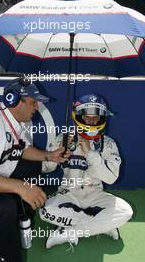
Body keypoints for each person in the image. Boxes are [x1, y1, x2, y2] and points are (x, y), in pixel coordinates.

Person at [0, 78, 69, 262]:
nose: (37, 107)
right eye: (33, 102)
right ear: (13, 100)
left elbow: (22, 149)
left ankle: (20, 218)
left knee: (32, 166)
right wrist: (21, 187)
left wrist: (49, 155)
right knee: (4, 206)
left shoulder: (14, 123)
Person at [39, 93, 133, 249]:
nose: (91, 121)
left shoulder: (109, 144)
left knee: (125, 211)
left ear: (102, 119)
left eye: (96, 118)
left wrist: (90, 153)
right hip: (68, 194)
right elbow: (45, 168)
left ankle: (70, 232)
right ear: (78, 117)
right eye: (87, 117)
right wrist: (56, 152)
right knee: (45, 211)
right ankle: (101, 225)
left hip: (95, 194)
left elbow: (110, 178)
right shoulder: (63, 138)